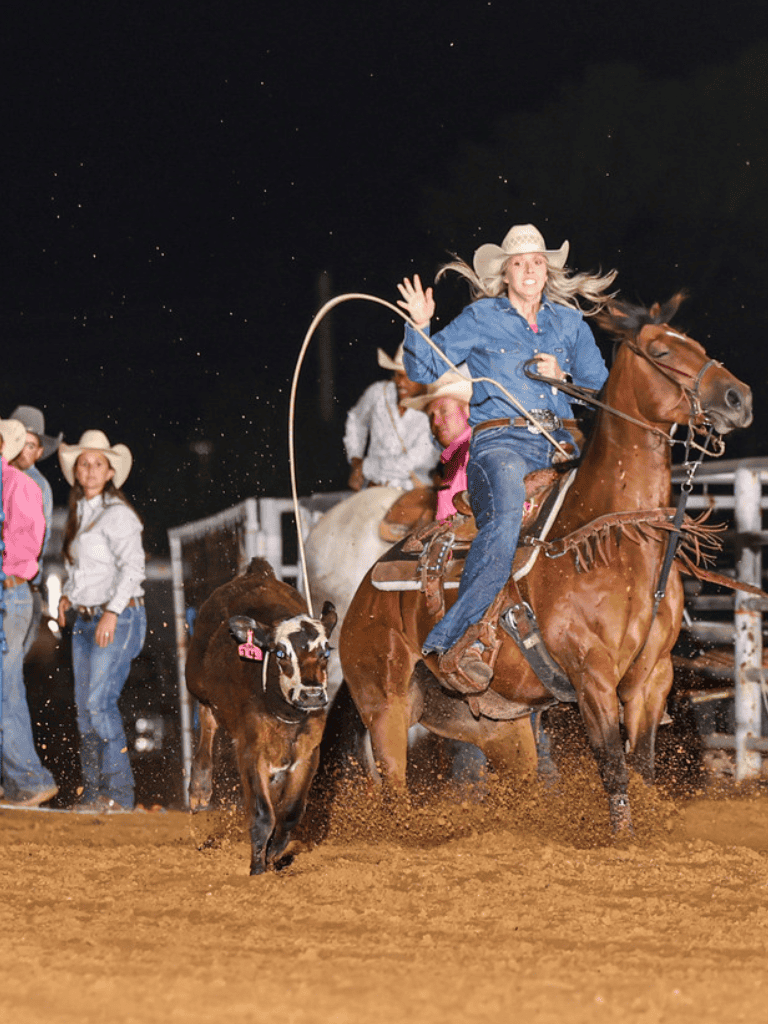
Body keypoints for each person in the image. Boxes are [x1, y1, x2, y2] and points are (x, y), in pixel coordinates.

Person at [397, 223, 616, 692]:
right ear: (505, 274)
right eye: (520, 263)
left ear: (547, 270)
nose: (530, 269)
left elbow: (601, 392)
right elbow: (424, 367)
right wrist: (419, 324)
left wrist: (566, 374)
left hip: (566, 442)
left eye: (537, 261)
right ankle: (454, 639)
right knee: (505, 518)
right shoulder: (481, 318)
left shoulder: (569, 324)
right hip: (503, 444)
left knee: (618, 499)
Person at [56, 430, 146, 812]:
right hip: (84, 619)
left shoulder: (120, 516)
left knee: (98, 703)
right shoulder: (81, 513)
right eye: (84, 464)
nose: (90, 470)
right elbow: (81, 570)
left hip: (119, 617)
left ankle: (119, 795)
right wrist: (66, 596)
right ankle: (94, 793)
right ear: (76, 472)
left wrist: (111, 610)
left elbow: (134, 568)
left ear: (110, 473)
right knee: (85, 707)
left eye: (97, 464)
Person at [0, 417, 58, 806]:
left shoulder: (21, 484)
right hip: (13, 594)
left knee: (5, 688)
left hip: (11, 593)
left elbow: (26, 547)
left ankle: (30, 778)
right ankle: (20, 780)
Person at [344, 343, 439, 491]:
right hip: (371, 489)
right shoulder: (378, 393)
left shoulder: (434, 410)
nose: (400, 382)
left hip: (414, 493)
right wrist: (355, 458)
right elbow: (356, 420)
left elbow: (410, 463)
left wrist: (364, 467)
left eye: (408, 377)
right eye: (397, 375)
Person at [9, 405, 62, 657]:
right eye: (19, 441)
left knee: (8, 670)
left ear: (39, 452)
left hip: (19, 585)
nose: (22, 449)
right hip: (15, 585)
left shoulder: (37, 486)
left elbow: (35, 542)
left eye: (30, 445)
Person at [401, 369, 472, 522]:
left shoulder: (471, 453)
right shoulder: (457, 456)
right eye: (432, 416)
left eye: (444, 411)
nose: (436, 422)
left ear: (467, 410)